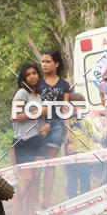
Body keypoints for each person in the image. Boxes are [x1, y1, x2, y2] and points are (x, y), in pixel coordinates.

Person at [10, 62, 50, 215]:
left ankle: (29, 213)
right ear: (23, 78)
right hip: (23, 141)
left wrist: (46, 125)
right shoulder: (21, 93)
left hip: (37, 140)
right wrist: (39, 112)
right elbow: (15, 116)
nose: (32, 76)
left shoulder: (37, 96)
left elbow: (40, 121)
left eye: (34, 73)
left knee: (36, 176)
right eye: (28, 74)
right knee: (25, 180)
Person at [39, 49, 71, 206]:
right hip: (37, 127)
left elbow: (65, 108)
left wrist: (68, 130)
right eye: (42, 61)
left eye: (48, 61)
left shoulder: (64, 85)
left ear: (56, 64)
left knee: (50, 164)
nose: (44, 64)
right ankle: (32, 202)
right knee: (36, 164)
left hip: (57, 127)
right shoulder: (36, 82)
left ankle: (46, 201)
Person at [64, 92, 95, 197]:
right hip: (72, 153)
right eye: (73, 105)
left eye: (79, 105)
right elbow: (65, 135)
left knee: (85, 178)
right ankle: (72, 197)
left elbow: (91, 138)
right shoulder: (68, 122)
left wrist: (91, 154)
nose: (76, 108)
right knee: (72, 178)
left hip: (86, 154)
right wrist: (68, 145)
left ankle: (85, 197)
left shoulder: (88, 122)